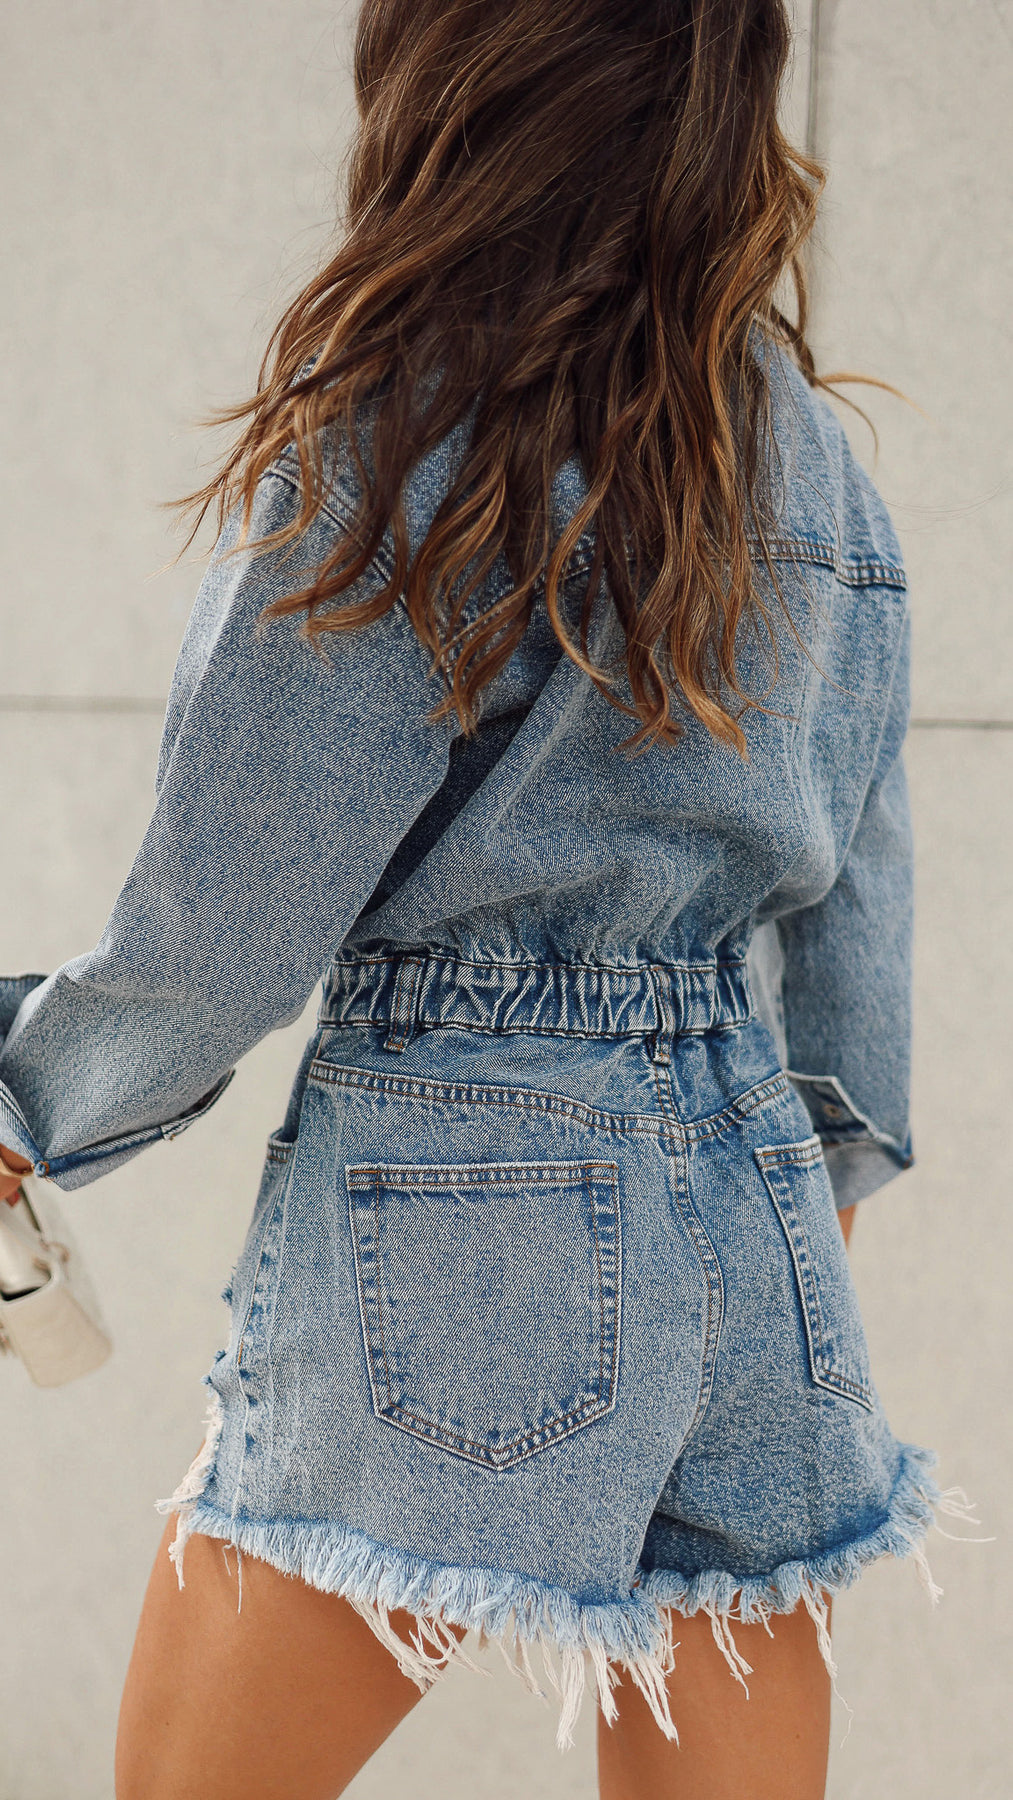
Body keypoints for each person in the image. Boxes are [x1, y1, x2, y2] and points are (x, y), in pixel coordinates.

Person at [0, 2, 963, 1795]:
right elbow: (862, 902)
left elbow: (229, 916)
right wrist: (812, 1188)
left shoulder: (410, 414)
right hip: (757, 1204)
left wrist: (28, 1108)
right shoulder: (805, 451)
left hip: (467, 1177)